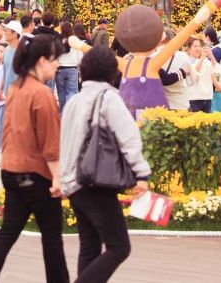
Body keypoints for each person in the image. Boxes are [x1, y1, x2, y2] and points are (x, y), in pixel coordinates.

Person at [0, 34, 68, 283]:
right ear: (40, 61)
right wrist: (57, 177)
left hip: (12, 169)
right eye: (53, 59)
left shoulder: (17, 88)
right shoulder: (42, 94)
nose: (57, 64)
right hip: (37, 174)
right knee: (51, 238)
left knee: (7, 233)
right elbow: (50, 143)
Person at [60, 45, 151, 282]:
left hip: (75, 184)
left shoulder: (73, 102)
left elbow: (64, 142)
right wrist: (141, 174)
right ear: (112, 71)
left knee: (89, 246)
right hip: (96, 181)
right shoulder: (110, 99)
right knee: (119, 247)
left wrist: (63, 180)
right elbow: (129, 138)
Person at [0, 20, 23, 165]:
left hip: (18, 94)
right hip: (6, 93)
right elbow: (5, 70)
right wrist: (0, 88)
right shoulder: (8, 50)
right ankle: (1, 151)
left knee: (15, 125)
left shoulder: (22, 52)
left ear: (15, 34)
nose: (5, 33)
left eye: (8, 31)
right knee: (2, 124)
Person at [55, 21, 82, 110]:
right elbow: (80, 55)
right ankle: (71, 111)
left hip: (60, 68)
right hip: (73, 68)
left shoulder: (58, 40)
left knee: (61, 92)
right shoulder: (75, 40)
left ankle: (63, 111)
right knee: (72, 92)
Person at [186, 37, 216, 113]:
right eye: (195, 46)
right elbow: (194, 73)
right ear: (188, 49)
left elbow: (216, 70)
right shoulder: (186, 61)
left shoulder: (205, 61)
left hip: (207, 98)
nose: (198, 49)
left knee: (206, 124)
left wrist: (211, 56)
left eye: (199, 46)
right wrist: (202, 58)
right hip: (194, 98)